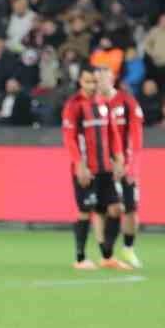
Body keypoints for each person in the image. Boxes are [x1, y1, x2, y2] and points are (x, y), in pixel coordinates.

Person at [63, 67, 130, 271]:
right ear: (80, 82)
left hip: (105, 168)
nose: (92, 86)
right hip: (86, 169)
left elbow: (113, 133)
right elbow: (70, 139)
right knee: (85, 211)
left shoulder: (103, 104)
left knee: (115, 209)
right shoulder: (73, 106)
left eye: (94, 81)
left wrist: (119, 158)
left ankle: (107, 256)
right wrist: (79, 165)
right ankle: (80, 258)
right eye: (87, 81)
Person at [95, 64, 144, 269]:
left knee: (131, 208)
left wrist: (131, 166)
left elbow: (136, 136)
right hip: (100, 166)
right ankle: (106, 253)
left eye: (104, 78)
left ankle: (128, 248)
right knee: (103, 209)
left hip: (124, 165)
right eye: (98, 80)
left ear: (112, 79)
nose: (101, 83)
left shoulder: (127, 102)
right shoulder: (92, 104)